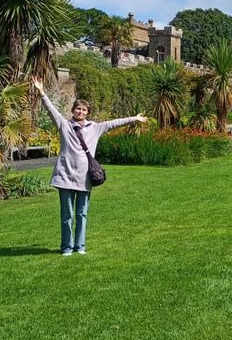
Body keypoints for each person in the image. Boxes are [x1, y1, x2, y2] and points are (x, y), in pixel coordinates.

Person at [32, 77, 147, 256]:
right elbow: (51, 110)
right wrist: (41, 92)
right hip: (65, 176)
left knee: (81, 214)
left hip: (85, 177)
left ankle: (80, 246)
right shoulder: (64, 125)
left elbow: (114, 123)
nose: (81, 111)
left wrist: (134, 118)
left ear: (88, 113)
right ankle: (67, 247)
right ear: (72, 111)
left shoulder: (95, 128)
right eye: (78, 108)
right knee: (67, 214)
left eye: (84, 109)